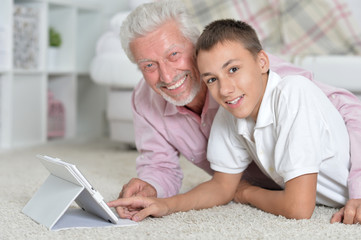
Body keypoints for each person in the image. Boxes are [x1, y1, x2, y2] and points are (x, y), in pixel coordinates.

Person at [112, 0, 361, 223]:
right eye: (148, 65)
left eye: (174, 54)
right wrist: (153, 192)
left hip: (311, 186)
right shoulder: (222, 110)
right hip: (284, 189)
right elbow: (171, 169)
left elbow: (346, 109)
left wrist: (359, 188)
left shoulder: (262, 77)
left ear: (194, 46)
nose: (167, 75)